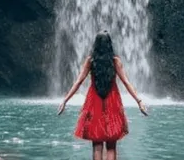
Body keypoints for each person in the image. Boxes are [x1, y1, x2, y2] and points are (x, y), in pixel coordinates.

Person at [57, 30, 148, 160]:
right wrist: (139, 101)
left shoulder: (90, 61)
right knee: (111, 146)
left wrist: (65, 100)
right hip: (113, 101)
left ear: (96, 45)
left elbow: (78, 82)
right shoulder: (115, 61)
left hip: (94, 102)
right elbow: (126, 82)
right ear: (110, 45)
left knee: (97, 146)